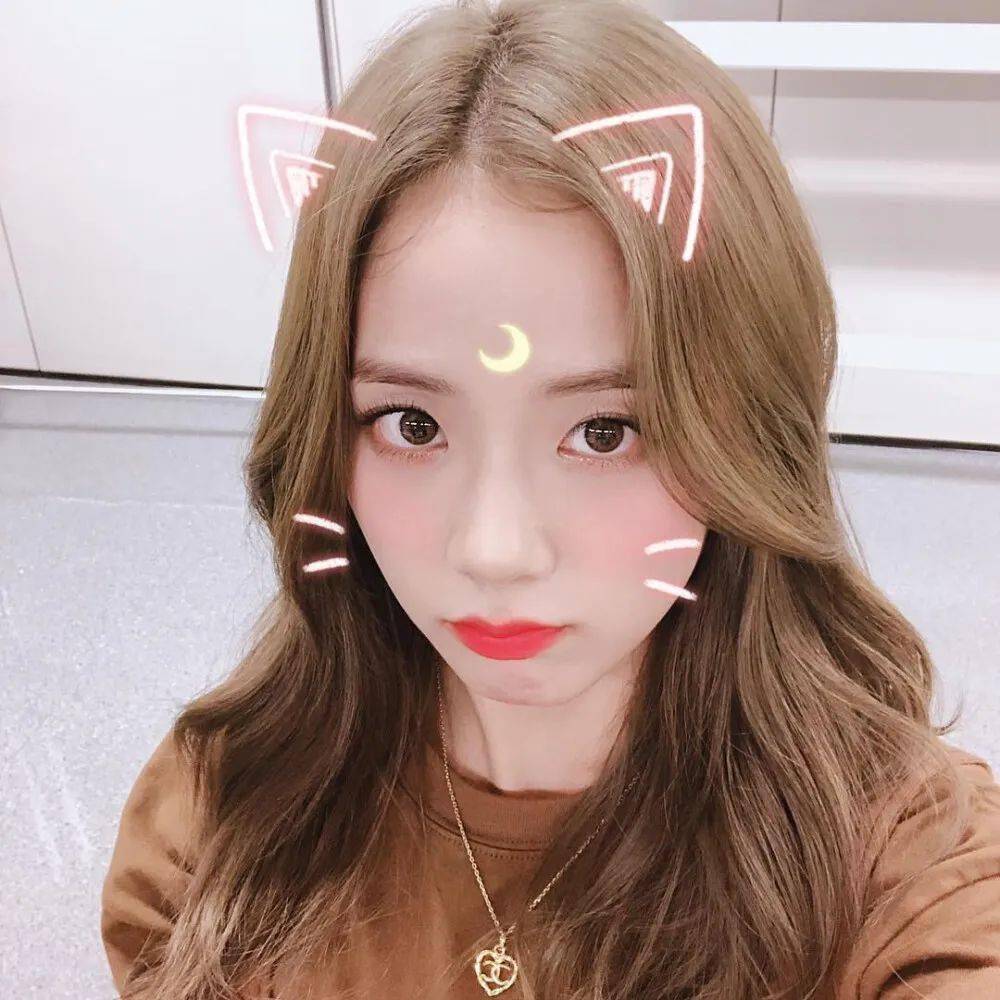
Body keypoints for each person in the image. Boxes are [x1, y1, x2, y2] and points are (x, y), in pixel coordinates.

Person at [100, 0, 1000, 997]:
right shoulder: (221, 821)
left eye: (605, 432)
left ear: (744, 428)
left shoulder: (900, 860)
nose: (495, 549)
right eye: (411, 424)